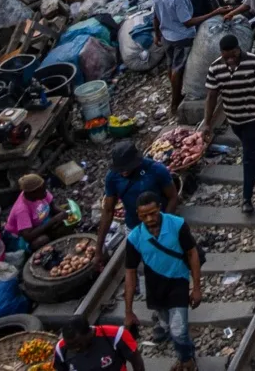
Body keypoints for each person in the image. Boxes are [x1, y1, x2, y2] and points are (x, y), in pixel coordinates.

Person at [122, 193, 201, 371]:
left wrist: (196, 287)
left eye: (153, 213)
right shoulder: (134, 238)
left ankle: (187, 360)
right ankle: (186, 355)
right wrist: (128, 310)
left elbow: (192, 253)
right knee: (168, 325)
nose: (150, 219)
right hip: (155, 288)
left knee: (178, 331)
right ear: (138, 215)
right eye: (144, 216)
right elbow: (130, 273)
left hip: (178, 282)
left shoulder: (177, 225)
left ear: (159, 207)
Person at [200, 34, 255, 211]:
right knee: (250, 143)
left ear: (238, 49)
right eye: (226, 55)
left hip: (251, 117)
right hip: (233, 117)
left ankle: (246, 199)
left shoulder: (254, 62)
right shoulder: (215, 68)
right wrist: (207, 122)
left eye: (233, 54)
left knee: (247, 157)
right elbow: (211, 96)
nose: (230, 58)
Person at [97, 142, 180, 235]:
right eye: (120, 170)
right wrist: (99, 247)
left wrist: (164, 225)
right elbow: (108, 211)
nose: (123, 172)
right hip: (134, 227)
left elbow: (173, 197)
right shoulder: (112, 177)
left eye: (127, 168)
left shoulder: (156, 169)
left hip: (159, 222)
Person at [152, 0, 199, 105]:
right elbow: (187, 22)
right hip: (181, 37)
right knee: (177, 69)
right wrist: (214, 13)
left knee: (171, 65)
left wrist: (157, 34)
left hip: (167, 34)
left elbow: (156, 13)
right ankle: (176, 100)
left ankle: (175, 91)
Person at [54, 315, 142, 371]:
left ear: (89, 334)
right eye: (69, 346)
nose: (73, 349)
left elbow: (137, 363)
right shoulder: (61, 349)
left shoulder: (115, 335)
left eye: (77, 344)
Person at [4, 172, 68, 248]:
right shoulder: (21, 210)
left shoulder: (41, 192)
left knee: (65, 217)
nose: (46, 193)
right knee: (42, 240)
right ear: (32, 193)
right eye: (43, 191)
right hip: (22, 237)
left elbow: (52, 206)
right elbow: (28, 236)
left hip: (39, 222)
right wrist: (53, 220)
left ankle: (52, 234)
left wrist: (64, 213)